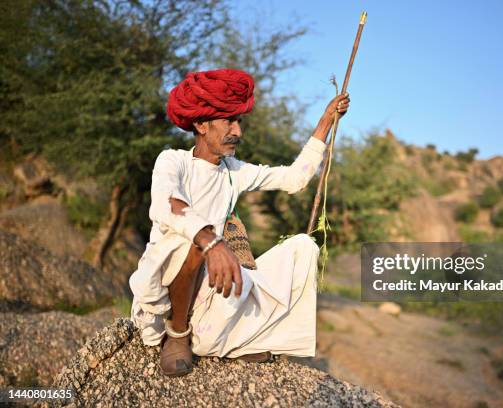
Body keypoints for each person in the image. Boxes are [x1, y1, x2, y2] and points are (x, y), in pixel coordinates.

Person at [129, 69, 350, 377]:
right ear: (201, 124)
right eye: (228, 122)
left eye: (239, 122)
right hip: (171, 283)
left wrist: (326, 121)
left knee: (302, 248)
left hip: (210, 285)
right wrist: (212, 242)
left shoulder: (235, 170)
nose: (238, 131)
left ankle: (235, 336)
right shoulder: (172, 161)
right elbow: (169, 207)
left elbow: (294, 178)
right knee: (187, 239)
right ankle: (177, 334)